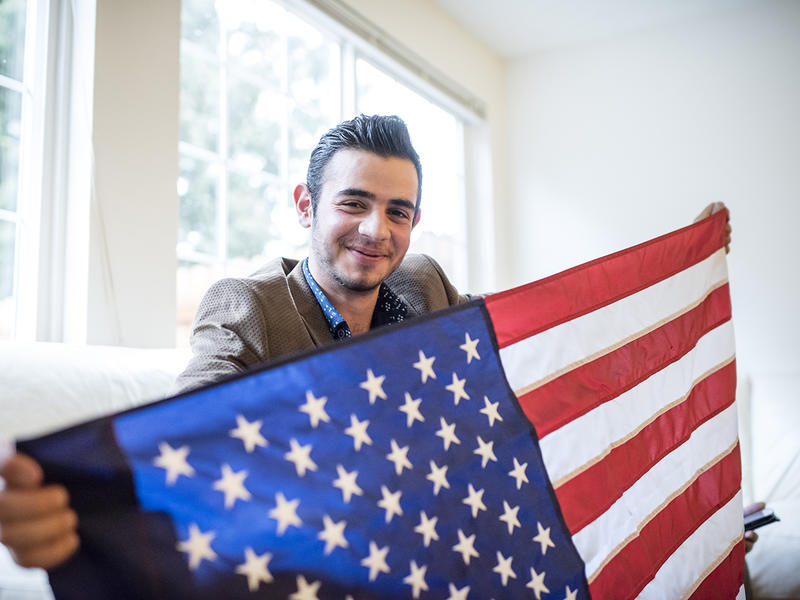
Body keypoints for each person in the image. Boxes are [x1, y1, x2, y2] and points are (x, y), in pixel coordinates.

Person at [0, 114, 734, 572]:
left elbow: (540, 339)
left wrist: (679, 275)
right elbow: (193, 433)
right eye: (353, 202)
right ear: (306, 205)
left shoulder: (427, 287)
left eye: (398, 211)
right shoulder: (245, 307)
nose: (376, 231)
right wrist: (84, 504)